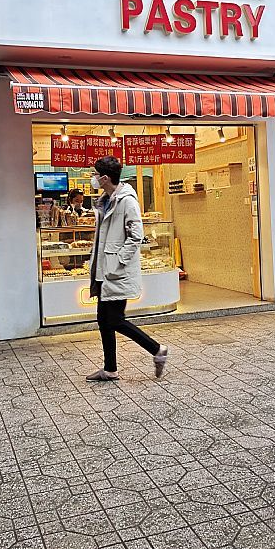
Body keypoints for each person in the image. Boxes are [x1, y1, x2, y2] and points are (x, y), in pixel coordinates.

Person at [86, 156, 168, 382]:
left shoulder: (127, 201)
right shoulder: (106, 200)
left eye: (95, 174)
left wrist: (118, 260)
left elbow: (136, 236)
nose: (93, 178)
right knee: (104, 320)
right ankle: (110, 369)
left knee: (115, 320)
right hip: (104, 270)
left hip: (115, 270)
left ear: (105, 178)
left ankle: (157, 350)